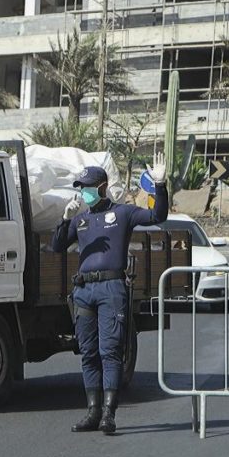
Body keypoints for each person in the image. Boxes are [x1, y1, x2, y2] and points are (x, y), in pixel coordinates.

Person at [52, 153, 168, 435]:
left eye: (88, 187)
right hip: (83, 290)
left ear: (102, 187)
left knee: (110, 352)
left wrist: (160, 184)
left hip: (111, 289)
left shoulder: (123, 213)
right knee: (88, 353)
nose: (84, 192)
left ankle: (108, 414)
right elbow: (56, 247)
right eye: (80, 187)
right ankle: (92, 412)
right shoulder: (80, 221)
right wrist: (64, 219)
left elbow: (157, 216)